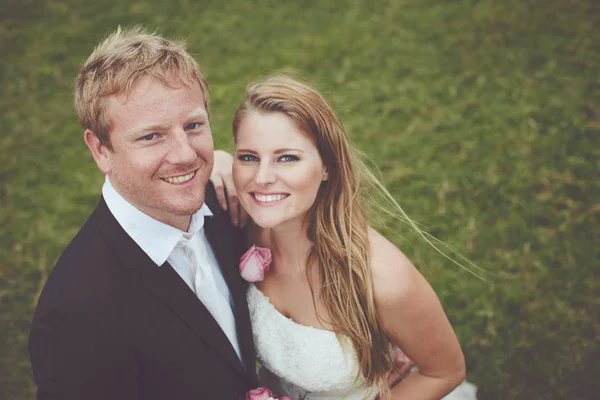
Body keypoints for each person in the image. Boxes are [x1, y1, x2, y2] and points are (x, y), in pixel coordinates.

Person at [28, 27, 257, 400]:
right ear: (100, 149)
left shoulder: (225, 200)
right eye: (151, 136)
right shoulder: (77, 314)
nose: (185, 154)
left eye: (193, 125)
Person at [230, 76, 478, 399]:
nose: (261, 178)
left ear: (326, 167)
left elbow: (445, 371)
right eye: (248, 157)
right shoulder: (240, 227)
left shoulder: (383, 278)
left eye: (287, 158)